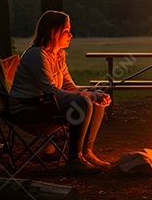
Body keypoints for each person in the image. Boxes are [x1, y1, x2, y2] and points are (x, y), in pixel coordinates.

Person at [10, 10, 112, 175]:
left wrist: (92, 94)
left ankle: (86, 153)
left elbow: (68, 86)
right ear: (53, 32)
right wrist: (87, 96)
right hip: (28, 111)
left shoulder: (58, 56)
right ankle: (74, 159)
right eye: (66, 31)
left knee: (93, 100)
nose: (70, 34)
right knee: (85, 102)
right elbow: (50, 91)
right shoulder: (37, 55)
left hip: (45, 105)